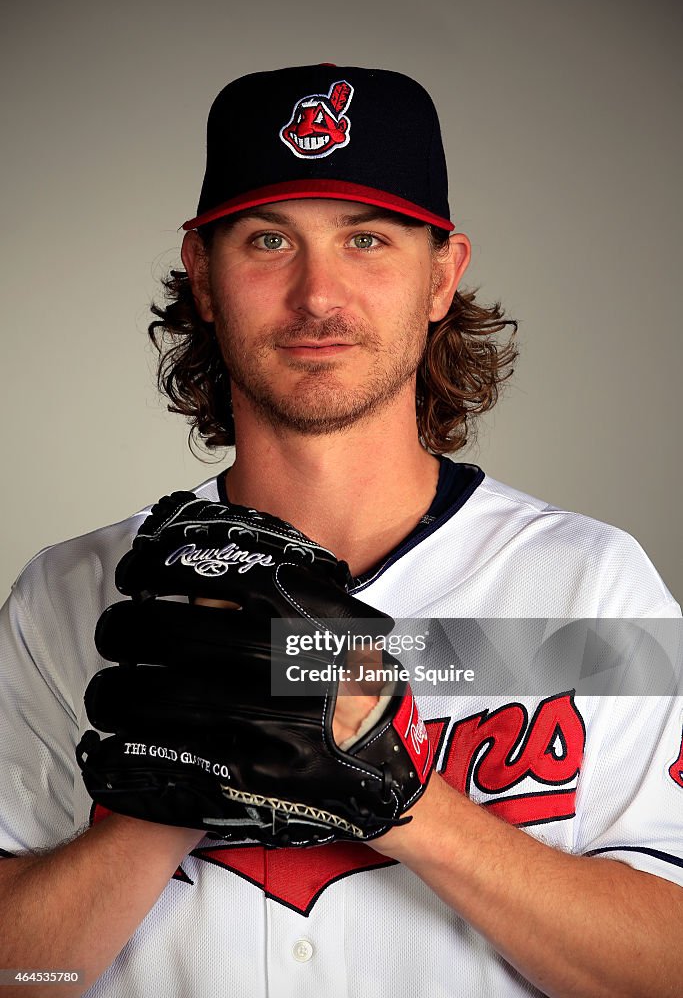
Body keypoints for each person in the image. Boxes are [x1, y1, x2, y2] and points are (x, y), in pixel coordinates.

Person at [0, 64, 681, 998]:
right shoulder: (72, 594)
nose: (318, 295)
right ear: (202, 274)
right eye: (268, 240)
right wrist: (163, 797)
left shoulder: (585, 586)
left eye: (367, 239)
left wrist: (394, 796)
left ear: (442, 274)